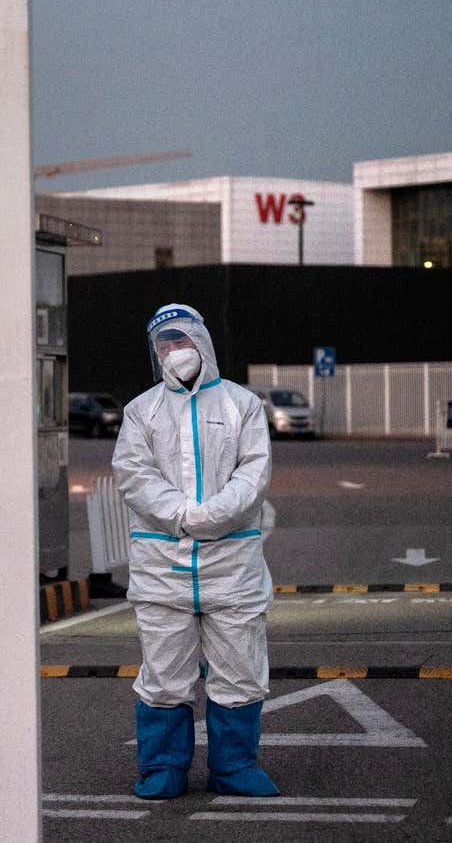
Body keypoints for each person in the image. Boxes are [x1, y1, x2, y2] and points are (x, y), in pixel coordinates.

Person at [111, 303, 278, 800]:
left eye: (180, 339)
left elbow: (254, 474)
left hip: (232, 569)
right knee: (164, 674)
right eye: (163, 343)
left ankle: (234, 768)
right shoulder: (141, 411)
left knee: (241, 669)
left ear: (201, 342)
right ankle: (161, 769)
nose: (172, 351)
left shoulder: (241, 406)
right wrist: (184, 517)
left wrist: (214, 516)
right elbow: (134, 476)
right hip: (163, 570)